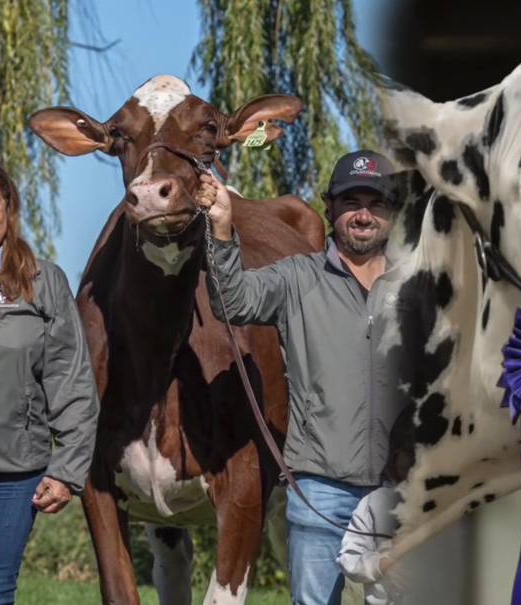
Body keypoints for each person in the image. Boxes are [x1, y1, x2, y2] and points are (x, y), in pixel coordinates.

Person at [198, 149, 401, 605]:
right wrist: (223, 230)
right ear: (330, 208)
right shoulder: (298, 278)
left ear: (393, 211)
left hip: (399, 490)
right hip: (320, 488)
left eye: (376, 202)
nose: (363, 214)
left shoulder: (420, 287)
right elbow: (232, 304)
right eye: (351, 202)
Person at [0, 153, 100, 604]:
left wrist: (67, 471)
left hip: (13, 477)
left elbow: (70, 381)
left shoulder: (41, 280)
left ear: (8, 208)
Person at [337, 405, 416, 605]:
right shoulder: (375, 503)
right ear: (395, 455)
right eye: (411, 453)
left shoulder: (449, 505)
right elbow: (349, 558)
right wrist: (381, 564)